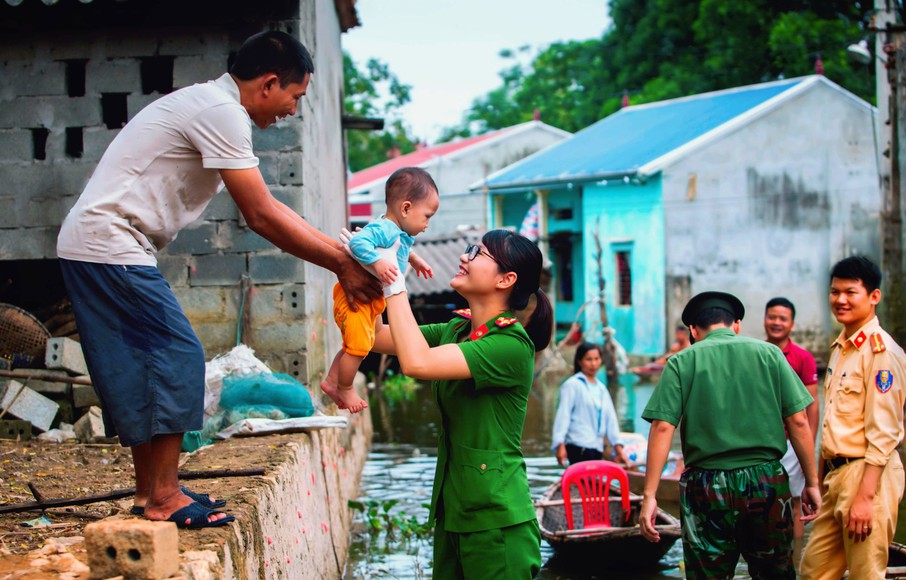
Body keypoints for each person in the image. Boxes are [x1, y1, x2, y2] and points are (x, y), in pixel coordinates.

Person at [56, 31, 380, 529]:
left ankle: (150, 492)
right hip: (108, 243)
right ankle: (164, 496)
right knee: (176, 355)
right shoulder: (221, 111)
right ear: (269, 84)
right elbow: (262, 215)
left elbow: (273, 208)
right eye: (295, 96)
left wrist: (341, 256)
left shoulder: (214, 106)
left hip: (105, 244)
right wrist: (341, 264)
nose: (293, 110)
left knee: (144, 363)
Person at [369, 229, 553, 579]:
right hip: (453, 512)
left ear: (506, 279)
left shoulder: (511, 345)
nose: (464, 257)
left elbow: (417, 363)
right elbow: (377, 336)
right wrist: (371, 269)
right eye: (470, 249)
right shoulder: (457, 329)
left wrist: (394, 282)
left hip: (497, 521)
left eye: (478, 253)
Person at [639, 291, 822, 579]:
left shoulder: (680, 362)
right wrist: (812, 482)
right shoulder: (770, 354)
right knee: (774, 572)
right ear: (736, 325)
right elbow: (799, 421)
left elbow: (662, 427)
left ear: (693, 330)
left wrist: (650, 496)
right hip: (766, 481)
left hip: (706, 486)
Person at [800, 256, 906, 579]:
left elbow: (885, 432)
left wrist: (865, 497)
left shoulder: (881, 352)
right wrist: (818, 483)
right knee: (814, 571)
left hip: (868, 475)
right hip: (837, 477)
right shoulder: (841, 348)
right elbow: (832, 423)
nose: (840, 300)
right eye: (835, 292)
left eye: (851, 292)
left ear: (874, 296)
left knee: (865, 573)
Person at [321, 167, 437, 413]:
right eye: (427, 216)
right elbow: (358, 242)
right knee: (358, 348)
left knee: (359, 342)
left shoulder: (396, 232)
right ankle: (345, 387)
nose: (427, 224)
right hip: (356, 297)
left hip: (368, 299)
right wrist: (376, 262)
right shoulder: (384, 228)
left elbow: (400, 248)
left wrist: (415, 259)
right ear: (406, 208)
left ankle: (332, 380)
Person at [763, 296, 820, 564]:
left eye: (782, 318)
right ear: (764, 319)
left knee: (795, 503)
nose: (776, 322)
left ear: (792, 324)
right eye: (772, 317)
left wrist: (808, 443)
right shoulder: (757, 353)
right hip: (762, 442)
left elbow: (812, 405)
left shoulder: (803, 358)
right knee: (761, 504)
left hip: (791, 442)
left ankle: (794, 560)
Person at [551, 341, 630, 467]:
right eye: (589, 359)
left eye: (596, 359)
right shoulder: (572, 385)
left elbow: (611, 421)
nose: (593, 364)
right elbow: (563, 416)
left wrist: (619, 450)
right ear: (579, 361)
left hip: (597, 448)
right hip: (578, 447)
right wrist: (559, 445)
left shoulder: (601, 389)